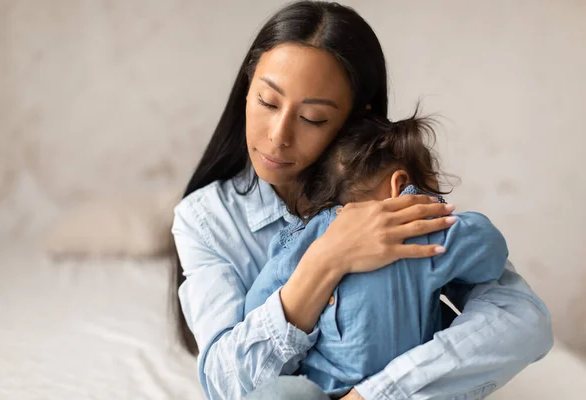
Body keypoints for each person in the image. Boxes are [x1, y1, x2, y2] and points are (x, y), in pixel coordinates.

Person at [171, 2, 553, 399]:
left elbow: (524, 320)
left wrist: (377, 394)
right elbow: (225, 385)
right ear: (246, 90)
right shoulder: (204, 218)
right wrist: (327, 258)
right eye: (267, 102)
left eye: (313, 118)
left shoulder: (387, 191)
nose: (278, 136)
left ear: (355, 117)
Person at [243, 115, 509, 397]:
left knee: (284, 392)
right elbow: (493, 251)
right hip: (397, 392)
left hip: (315, 387)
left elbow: (256, 312)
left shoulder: (304, 238)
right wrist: (448, 219)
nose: (435, 204)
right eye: (433, 193)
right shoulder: (424, 234)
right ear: (402, 186)